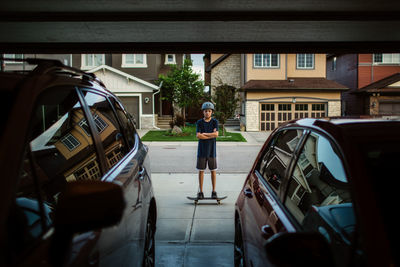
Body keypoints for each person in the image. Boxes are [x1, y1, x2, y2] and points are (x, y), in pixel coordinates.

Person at [196, 102, 219, 199]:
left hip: (211, 152)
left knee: (213, 171)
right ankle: (201, 192)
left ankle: (214, 191)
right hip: (201, 151)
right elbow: (198, 136)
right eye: (206, 111)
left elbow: (216, 134)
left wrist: (204, 134)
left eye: (209, 111)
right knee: (201, 171)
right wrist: (210, 134)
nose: (207, 113)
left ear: (212, 112)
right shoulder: (199, 122)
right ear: (203, 112)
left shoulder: (215, 122)